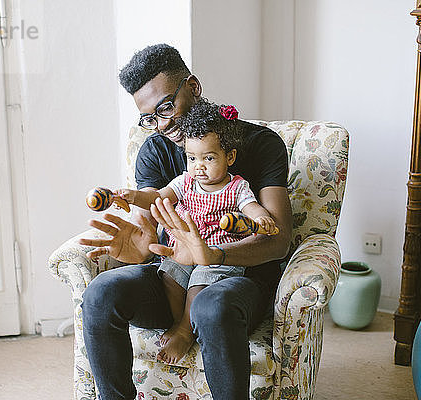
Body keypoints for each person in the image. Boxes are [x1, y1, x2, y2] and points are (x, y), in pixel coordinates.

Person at [79, 43, 292, 399]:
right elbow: (147, 223)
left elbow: (279, 239)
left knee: (212, 306)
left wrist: (214, 255)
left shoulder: (261, 144)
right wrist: (138, 249)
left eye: (165, 107)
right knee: (100, 293)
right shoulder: (154, 151)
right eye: (150, 118)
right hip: (174, 275)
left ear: (193, 88)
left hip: (236, 282)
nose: (162, 125)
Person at [116, 98, 278, 364]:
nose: (198, 166)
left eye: (209, 158)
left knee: (199, 282)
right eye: (192, 158)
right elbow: (157, 197)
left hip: (216, 253)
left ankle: (184, 331)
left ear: (230, 157)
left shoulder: (236, 187)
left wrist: (263, 218)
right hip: (181, 252)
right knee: (170, 274)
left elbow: (252, 208)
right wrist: (133, 196)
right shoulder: (185, 182)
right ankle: (181, 320)